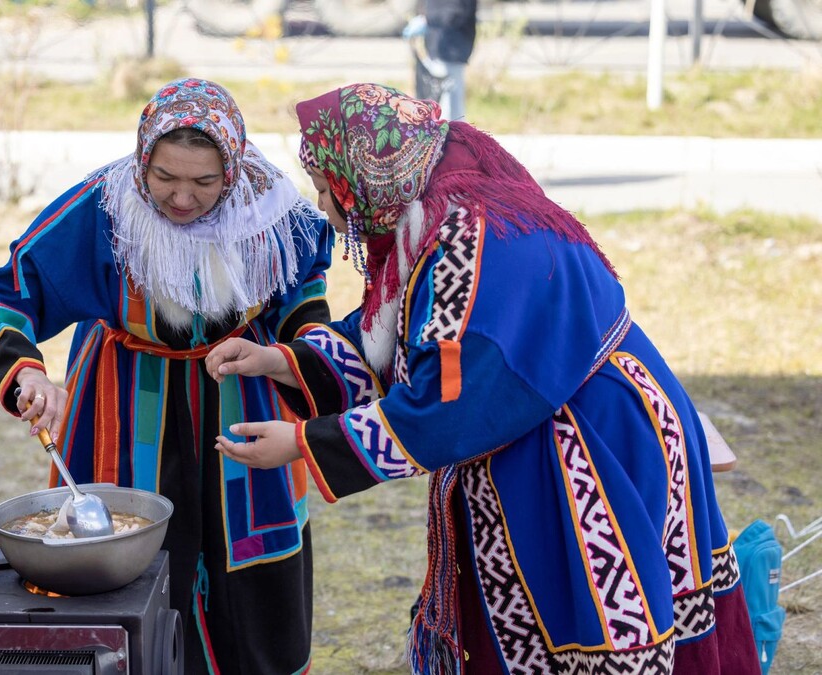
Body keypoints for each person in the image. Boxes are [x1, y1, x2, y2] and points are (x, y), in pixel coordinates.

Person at [205, 83, 761, 674]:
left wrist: (302, 443)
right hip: (558, 414)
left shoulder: (464, 241)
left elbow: (447, 402)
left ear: (364, 177)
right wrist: (278, 359)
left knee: (587, 622)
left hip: (587, 442)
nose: (323, 205)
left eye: (326, 187)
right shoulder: (438, 192)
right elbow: (405, 336)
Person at [0, 77, 333, 674]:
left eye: (204, 182)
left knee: (250, 561)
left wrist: (297, 356)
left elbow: (304, 299)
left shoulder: (272, 211)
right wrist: (26, 375)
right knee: (121, 558)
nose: (182, 198)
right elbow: (6, 292)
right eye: (164, 177)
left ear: (233, 170)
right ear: (142, 159)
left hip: (241, 396)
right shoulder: (103, 208)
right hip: (121, 401)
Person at [406, 0, 476, 122]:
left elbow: (455, 14)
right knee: (435, 105)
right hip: (435, 48)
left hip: (453, 50)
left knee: (450, 108)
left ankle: (453, 132)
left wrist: (427, 19)